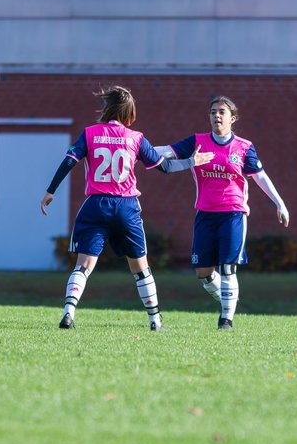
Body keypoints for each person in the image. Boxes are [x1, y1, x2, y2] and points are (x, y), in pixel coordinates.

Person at [41, 85, 212, 331]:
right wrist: (191, 161)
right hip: (126, 206)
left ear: (106, 108)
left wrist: (51, 191)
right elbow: (165, 167)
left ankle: (69, 313)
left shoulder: (89, 133)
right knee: (140, 266)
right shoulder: (136, 138)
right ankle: (155, 320)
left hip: (96, 205)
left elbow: (69, 161)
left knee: (84, 264)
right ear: (129, 113)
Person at [157, 95, 289, 330]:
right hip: (205, 214)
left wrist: (279, 203)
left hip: (233, 213)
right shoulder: (196, 141)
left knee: (227, 267)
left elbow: (260, 176)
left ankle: (226, 319)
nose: (216, 116)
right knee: (203, 273)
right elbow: (166, 151)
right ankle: (230, 299)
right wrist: (135, 148)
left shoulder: (244, 147)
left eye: (222, 112)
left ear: (233, 118)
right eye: (213, 112)